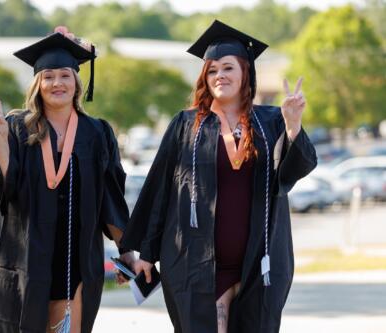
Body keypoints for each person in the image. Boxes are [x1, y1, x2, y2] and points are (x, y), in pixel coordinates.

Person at [121, 20, 317, 333]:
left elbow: (294, 171)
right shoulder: (186, 125)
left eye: (228, 68)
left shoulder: (270, 121)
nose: (219, 76)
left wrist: (293, 126)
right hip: (194, 264)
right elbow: (159, 191)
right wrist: (147, 252)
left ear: (245, 72)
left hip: (259, 260)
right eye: (212, 70)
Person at [0, 26, 133, 333]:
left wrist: (126, 252)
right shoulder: (16, 127)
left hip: (75, 260)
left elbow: (111, 198)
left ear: (76, 81)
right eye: (48, 76)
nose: (56, 83)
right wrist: (0, 145)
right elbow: (2, 193)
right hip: (24, 259)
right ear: (38, 83)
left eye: (64, 75)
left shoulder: (97, 133)